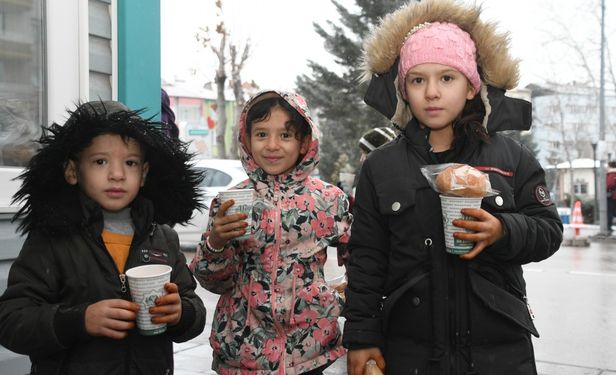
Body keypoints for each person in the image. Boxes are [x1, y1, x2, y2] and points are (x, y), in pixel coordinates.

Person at [342, 1, 564, 374]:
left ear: (471, 86)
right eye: (418, 79)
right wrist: (362, 338)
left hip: (500, 353)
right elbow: (366, 259)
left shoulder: (512, 157)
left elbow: (548, 231)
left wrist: (503, 230)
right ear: (404, 89)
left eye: (447, 78)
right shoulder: (381, 167)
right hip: (409, 352)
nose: (431, 92)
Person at [0, 100, 206, 374]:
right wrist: (79, 320)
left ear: (143, 174)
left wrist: (181, 313)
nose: (117, 175)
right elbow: (12, 320)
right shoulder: (52, 239)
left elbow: (194, 307)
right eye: (100, 161)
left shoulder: (162, 238)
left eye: (130, 162)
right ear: (73, 171)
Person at [189, 90, 352, 374]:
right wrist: (216, 242)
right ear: (247, 139)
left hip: (309, 350)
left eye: (285, 135)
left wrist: (334, 300)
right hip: (242, 352)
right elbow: (212, 281)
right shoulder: (230, 201)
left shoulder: (328, 200)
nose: (272, 145)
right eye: (261, 134)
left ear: (304, 143)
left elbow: (363, 258)